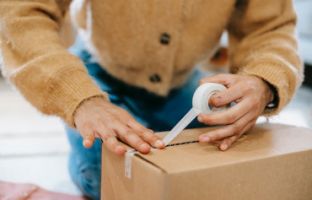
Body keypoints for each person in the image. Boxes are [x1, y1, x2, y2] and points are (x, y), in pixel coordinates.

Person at [0, 0, 302, 199]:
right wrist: (78, 97)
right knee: (106, 177)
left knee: (219, 169)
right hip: (96, 76)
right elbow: (20, 14)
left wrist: (264, 81)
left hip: (185, 81)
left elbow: (271, 28)